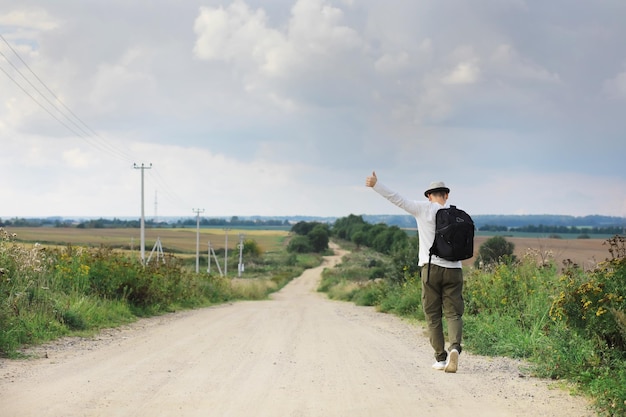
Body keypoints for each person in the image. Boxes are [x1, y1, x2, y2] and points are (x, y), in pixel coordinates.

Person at [365, 171, 463, 373]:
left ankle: (441, 358)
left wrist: (376, 184)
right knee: (453, 314)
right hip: (454, 269)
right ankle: (455, 348)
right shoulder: (456, 215)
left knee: (433, 314)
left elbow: (397, 199)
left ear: (429, 195)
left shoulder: (423, 209)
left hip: (431, 269)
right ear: (446, 195)